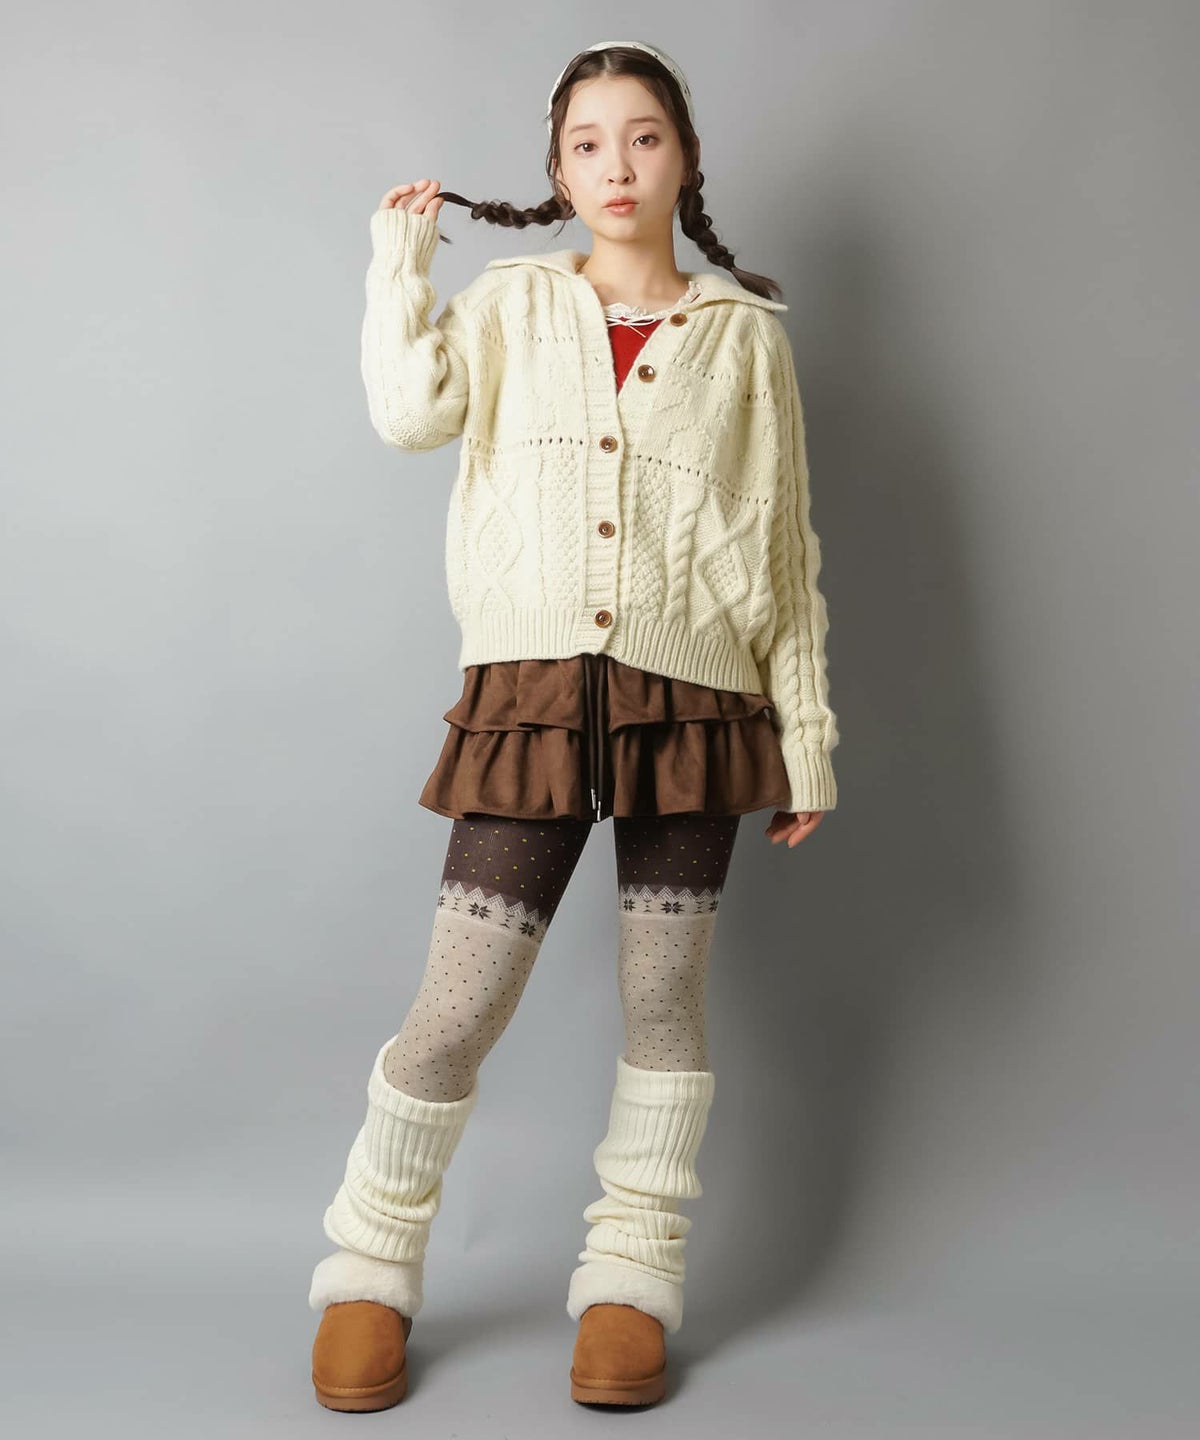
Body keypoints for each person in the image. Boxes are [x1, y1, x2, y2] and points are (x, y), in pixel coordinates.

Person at [308, 39, 840, 1412]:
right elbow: (407, 413)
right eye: (589, 143)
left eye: (644, 137)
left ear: (686, 157)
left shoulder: (746, 338)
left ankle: (631, 1279)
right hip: (532, 702)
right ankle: (370, 1265)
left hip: (697, 707)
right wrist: (397, 267)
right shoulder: (510, 305)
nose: (618, 165)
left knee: (663, 1003)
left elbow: (783, 552)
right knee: (454, 1012)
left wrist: (807, 737)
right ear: (556, 170)